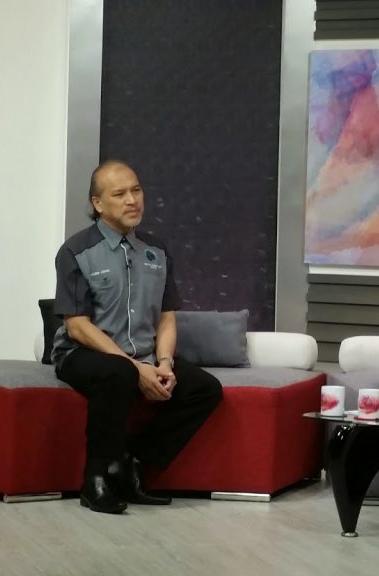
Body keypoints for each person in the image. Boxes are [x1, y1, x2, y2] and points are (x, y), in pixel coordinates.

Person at [51, 160, 223, 514]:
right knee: (119, 373)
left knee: (204, 388)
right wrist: (134, 367)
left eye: (137, 190)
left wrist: (164, 363)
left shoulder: (156, 251)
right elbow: (77, 326)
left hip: (143, 355)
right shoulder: (76, 251)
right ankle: (95, 479)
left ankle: (133, 462)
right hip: (82, 353)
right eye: (120, 194)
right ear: (98, 203)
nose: (132, 200)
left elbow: (166, 316)